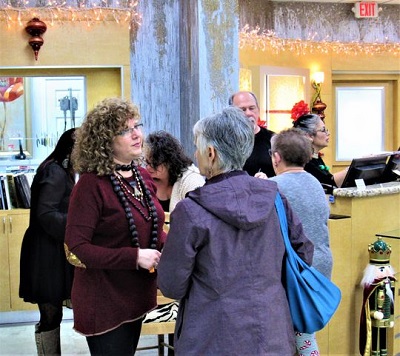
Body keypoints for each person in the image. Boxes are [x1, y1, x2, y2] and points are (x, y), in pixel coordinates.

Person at [157, 106, 314, 355]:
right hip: (271, 330)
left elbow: (171, 284)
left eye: (197, 147)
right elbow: (303, 251)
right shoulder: (274, 198)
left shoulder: (191, 211)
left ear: (210, 153)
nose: (195, 154)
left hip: (211, 335)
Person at [64, 97, 166, 355]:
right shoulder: (90, 185)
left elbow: (150, 227)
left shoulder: (142, 176)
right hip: (104, 299)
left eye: (137, 126)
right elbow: (76, 249)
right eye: (124, 130)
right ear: (104, 142)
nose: (136, 134)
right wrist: (134, 257)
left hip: (137, 294)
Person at [269, 128, 333, 355]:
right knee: (304, 331)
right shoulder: (316, 183)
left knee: (300, 338)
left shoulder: (275, 186)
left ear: (276, 157)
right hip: (321, 266)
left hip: (296, 272)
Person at [19, 128, 76, 355]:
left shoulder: (61, 169)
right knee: (51, 315)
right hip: (45, 253)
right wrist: (77, 224)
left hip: (53, 249)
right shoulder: (53, 171)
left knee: (54, 313)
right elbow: (45, 215)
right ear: (71, 150)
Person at [291, 100, 348, 191]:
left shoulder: (315, 157)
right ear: (309, 136)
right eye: (323, 130)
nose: (328, 133)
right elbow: (327, 184)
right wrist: (351, 170)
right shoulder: (305, 161)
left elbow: (329, 179)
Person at [143, 130, 205, 213]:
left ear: (169, 162)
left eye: (154, 164)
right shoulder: (144, 179)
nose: (148, 168)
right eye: (147, 162)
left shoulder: (191, 179)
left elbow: (199, 215)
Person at [229, 91, 275, 178]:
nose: (248, 113)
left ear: (258, 110)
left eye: (252, 108)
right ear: (231, 113)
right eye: (242, 110)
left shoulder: (273, 140)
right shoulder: (225, 142)